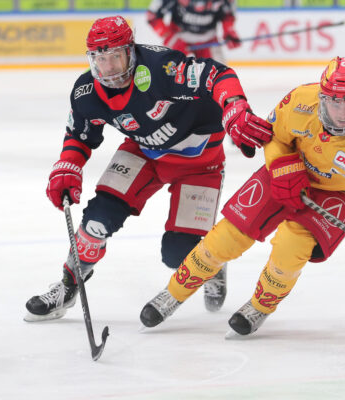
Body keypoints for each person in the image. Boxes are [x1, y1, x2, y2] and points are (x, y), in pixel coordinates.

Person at [138, 56, 345, 336]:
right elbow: (274, 136)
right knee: (227, 236)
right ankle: (172, 293)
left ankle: (260, 306)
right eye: (335, 101)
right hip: (286, 171)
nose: (343, 111)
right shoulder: (300, 100)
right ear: (322, 96)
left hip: (337, 195)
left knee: (290, 249)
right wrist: (281, 166)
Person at [24, 15, 272, 322]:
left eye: (115, 56)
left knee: (177, 253)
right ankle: (67, 286)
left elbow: (216, 74)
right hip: (143, 153)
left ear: (131, 50)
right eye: (99, 59)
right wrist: (68, 166)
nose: (108, 68)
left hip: (200, 164)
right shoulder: (86, 92)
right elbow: (79, 136)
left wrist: (235, 106)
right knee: (97, 222)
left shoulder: (161, 68)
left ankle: (214, 262)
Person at [146, 0, 241, 64]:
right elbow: (152, 16)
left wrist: (229, 31)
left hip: (208, 39)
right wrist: (168, 35)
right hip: (179, 37)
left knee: (220, 73)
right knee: (170, 72)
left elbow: (228, 15)